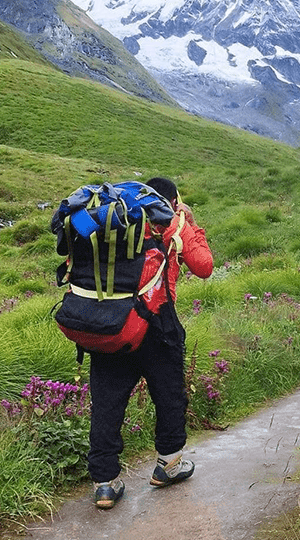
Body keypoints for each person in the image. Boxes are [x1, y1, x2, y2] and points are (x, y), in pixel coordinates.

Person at [89, 177, 214, 509]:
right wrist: (190, 223)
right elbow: (204, 267)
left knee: (106, 402)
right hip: (157, 321)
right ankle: (168, 464)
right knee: (169, 394)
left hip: (109, 321)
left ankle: (104, 482)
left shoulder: (114, 219)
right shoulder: (170, 219)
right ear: (173, 200)